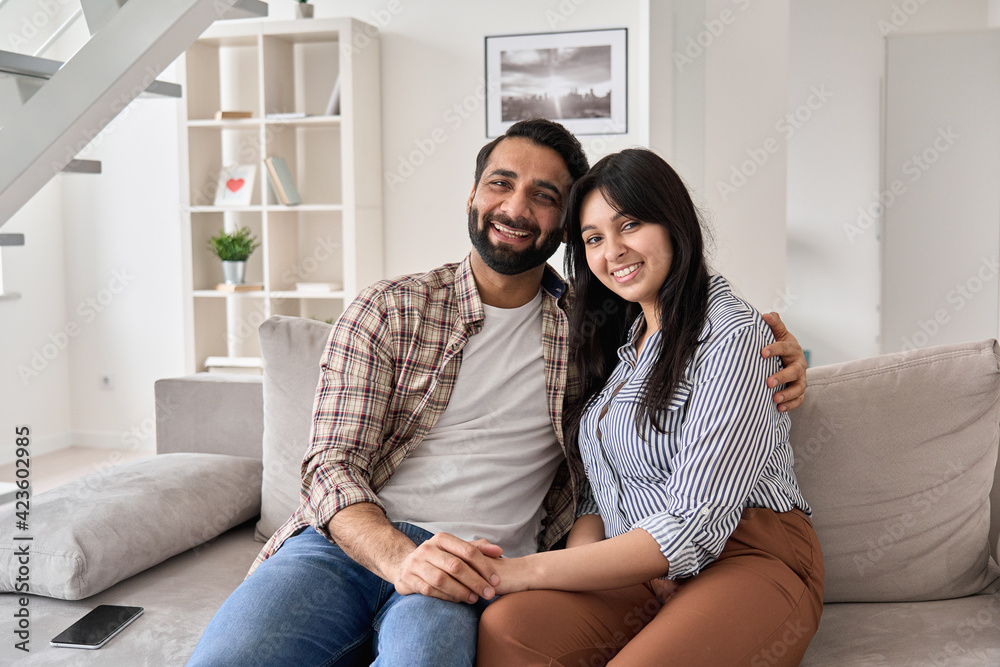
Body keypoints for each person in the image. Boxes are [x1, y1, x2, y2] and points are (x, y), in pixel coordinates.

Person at [187, 121, 809, 667]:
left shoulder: (592, 325)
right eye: (501, 183)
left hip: (478, 562)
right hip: (349, 548)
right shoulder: (390, 308)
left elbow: (699, 330)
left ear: (560, 228)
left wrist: (784, 352)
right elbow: (329, 467)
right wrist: (402, 560)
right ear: (473, 194)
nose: (516, 208)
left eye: (545, 197)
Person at [476, 148, 824, 667]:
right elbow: (597, 497)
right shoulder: (620, 340)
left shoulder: (733, 335)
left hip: (747, 555)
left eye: (630, 224)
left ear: (673, 223)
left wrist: (525, 571)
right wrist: (575, 578)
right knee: (508, 629)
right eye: (593, 238)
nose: (612, 251)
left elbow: (694, 519)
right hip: (640, 568)